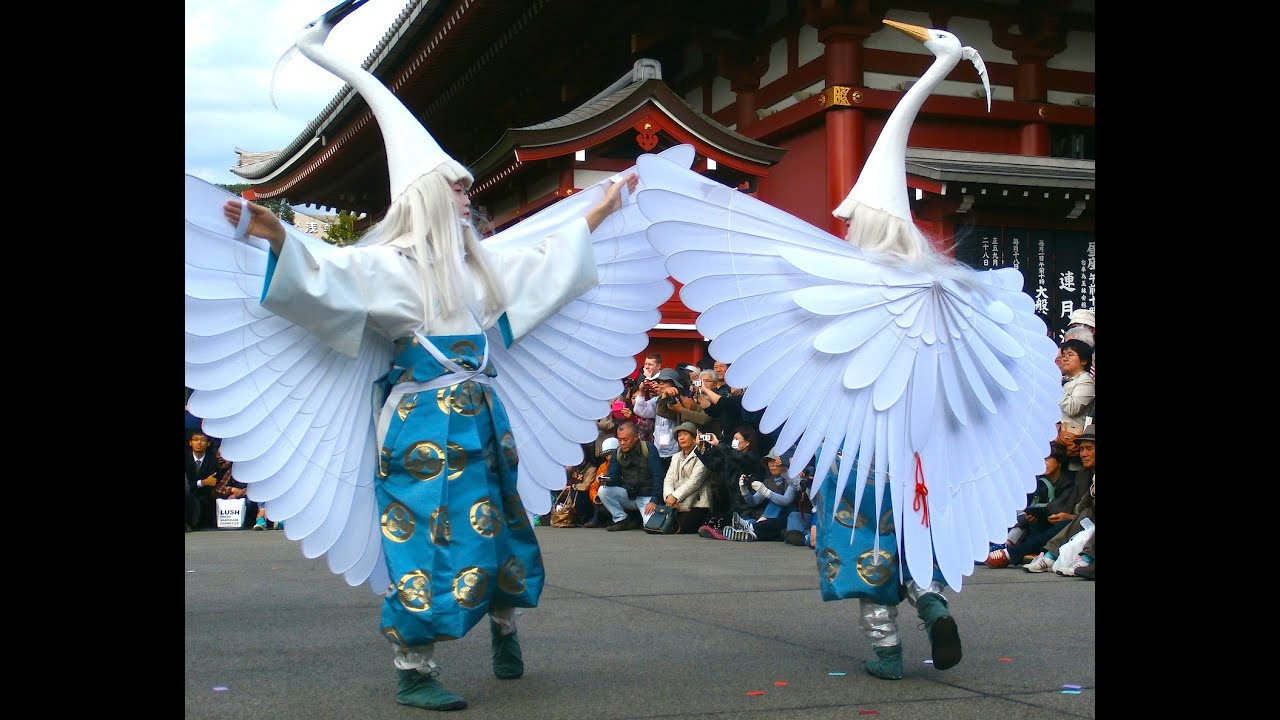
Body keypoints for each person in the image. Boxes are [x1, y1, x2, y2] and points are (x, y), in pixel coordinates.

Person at [1024, 425, 1096, 575]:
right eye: (1081, 449)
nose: (1083, 454)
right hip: (1085, 520)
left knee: (1082, 516)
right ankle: (1049, 556)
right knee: (1042, 519)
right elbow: (1076, 505)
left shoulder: (1071, 479)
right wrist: (1068, 516)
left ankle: (1085, 559)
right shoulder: (1083, 474)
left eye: (1088, 449)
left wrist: (1071, 517)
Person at [596, 421, 663, 531]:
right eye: (619, 440)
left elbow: (658, 476)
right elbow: (614, 479)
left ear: (636, 437)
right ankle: (621, 519)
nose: (622, 443)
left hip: (647, 496)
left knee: (651, 527)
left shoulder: (649, 449)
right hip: (629, 495)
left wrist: (654, 501)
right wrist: (605, 480)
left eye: (625, 439)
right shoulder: (617, 453)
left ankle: (639, 520)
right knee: (603, 490)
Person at [658, 422, 713, 533]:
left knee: (681, 525)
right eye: (679, 435)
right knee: (663, 523)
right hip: (676, 502)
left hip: (697, 502)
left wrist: (675, 496)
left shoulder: (702, 455)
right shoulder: (675, 457)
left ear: (694, 438)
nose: (681, 438)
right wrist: (669, 496)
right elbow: (668, 479)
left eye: (685, 434)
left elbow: (695, 481)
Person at [186, 431, 221, 530]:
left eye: (202, 440)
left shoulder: (213, 460)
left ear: (208, 443)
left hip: (204, 494)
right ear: (190, 443)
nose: (199, 443)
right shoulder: (186, 458)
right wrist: (202, 483)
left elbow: (212, 482)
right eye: (195, 440)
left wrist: (201, 484)